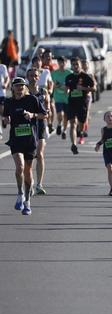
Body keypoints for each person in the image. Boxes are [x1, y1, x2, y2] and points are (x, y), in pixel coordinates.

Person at [2, 77, 47, 215]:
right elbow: (5, 117)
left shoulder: (32, 100)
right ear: (13, 88)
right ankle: (20, 193)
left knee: (28, 170)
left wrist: (32, 115)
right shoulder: (9, 102)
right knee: (19, 167)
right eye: (17, 86)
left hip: (30, 140)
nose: (19, 88)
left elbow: (44, 114)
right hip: (16, 139)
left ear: (25, 87)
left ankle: (27, 201)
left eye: (22, 86)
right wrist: (5, 119)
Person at [26, 68, 50, 195]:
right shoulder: (23, 91)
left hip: (40, 124)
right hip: (27, 127)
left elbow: (47, 109)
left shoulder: (43, 91)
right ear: (27, 77)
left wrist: (47, 115)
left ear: (38, 77)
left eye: (35, 76)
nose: (33, 78)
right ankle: (30, 182)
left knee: (39, 154)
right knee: (29, 157)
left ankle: (39, 184)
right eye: (30, 76)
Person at [64, 57, 96, 155]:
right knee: (73, 124)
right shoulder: (69, 77)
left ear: (80, 65)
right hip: (72, 103)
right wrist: (66, 90)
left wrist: (83, 88)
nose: (75, 66)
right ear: (71, 66)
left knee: (81, 123)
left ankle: (81, 131)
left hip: (82, 103)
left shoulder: (86, 76)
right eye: (73, 65)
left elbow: (94, 88)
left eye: (77, 64)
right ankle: (73, 144)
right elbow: (66, 88)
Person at [95, 112, 112, 196]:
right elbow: (103, 139)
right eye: (108, 116)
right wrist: (98, 144)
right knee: (110, 169)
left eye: (111, 116)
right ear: (104, 119)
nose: (110, 118)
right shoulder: (103, 129)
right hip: (107, 152)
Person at [51, 57, 72, 137]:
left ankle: (64, 130)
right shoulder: (54, 73)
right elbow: (51, 84)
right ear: (58, 63)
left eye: (63, 62)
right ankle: (59, 124)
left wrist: (67, 88)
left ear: (66, 63)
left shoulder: (69, 73)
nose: (61, 64)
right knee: (60, 114)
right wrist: (54, 86)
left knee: (66, 115)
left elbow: (71, 85)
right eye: (60, 63)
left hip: (67, 97)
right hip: (58, 97)